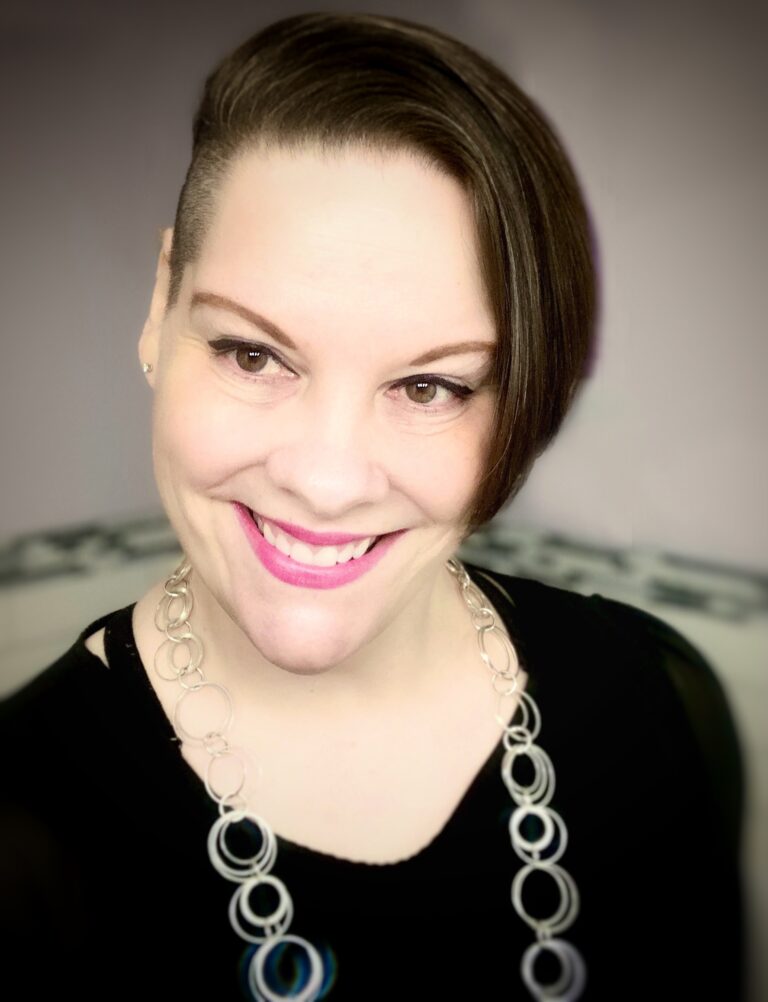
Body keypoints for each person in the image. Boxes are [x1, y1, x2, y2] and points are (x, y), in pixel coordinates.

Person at [0, 12, 746, 1002]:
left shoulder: (656, 700)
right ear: (159, 306)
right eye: (253, 354)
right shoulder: (21, 823)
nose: (327, 478)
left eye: (431, 386)